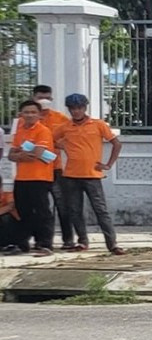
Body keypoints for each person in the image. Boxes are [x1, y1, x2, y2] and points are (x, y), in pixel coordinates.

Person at [52, 93, 124, 255]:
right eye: (73, 108)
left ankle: (112, 244)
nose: (76, 111)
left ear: (85, 108)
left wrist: (108, 164)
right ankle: (82, 241)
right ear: (69, 110)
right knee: (75, 210)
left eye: (79, 108)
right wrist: (64, 146)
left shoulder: (98, 124)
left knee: (101, 210)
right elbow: (51, 140)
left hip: (92, 175)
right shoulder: (65, 127)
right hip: (71, 175)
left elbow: (116, 144)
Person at [25, 85, 74, 250]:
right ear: (33, 98)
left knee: (62, 205)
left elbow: (71, 136)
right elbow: (21, 144)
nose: (44, 101)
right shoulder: (27, 118)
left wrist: (58, 145)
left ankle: (68, 240)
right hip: (35, 170)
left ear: (51, 99)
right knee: (40, 207)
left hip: (55, 167)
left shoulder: (60, 118)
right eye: (40, 98)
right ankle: (43, 241)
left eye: (47, 98)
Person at [6, 99, 57, 255]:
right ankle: (22, 243)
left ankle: (45, 244)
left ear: (40, 115)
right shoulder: (20, 131)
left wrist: (20, 154)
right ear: (21, 114)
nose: (30, 115)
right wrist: (22, 154)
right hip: (22, 178)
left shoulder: (43, 131)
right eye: (26, 112)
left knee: (42, 211)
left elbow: (36, 154)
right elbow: (10, 155)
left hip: (40, 178)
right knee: (22, 211)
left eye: (33, 112)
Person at [0, 177, 26, 253]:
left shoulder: (8, 195)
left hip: (15, 226)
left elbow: (10, 206)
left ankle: (14, 244)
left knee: (5, 217)